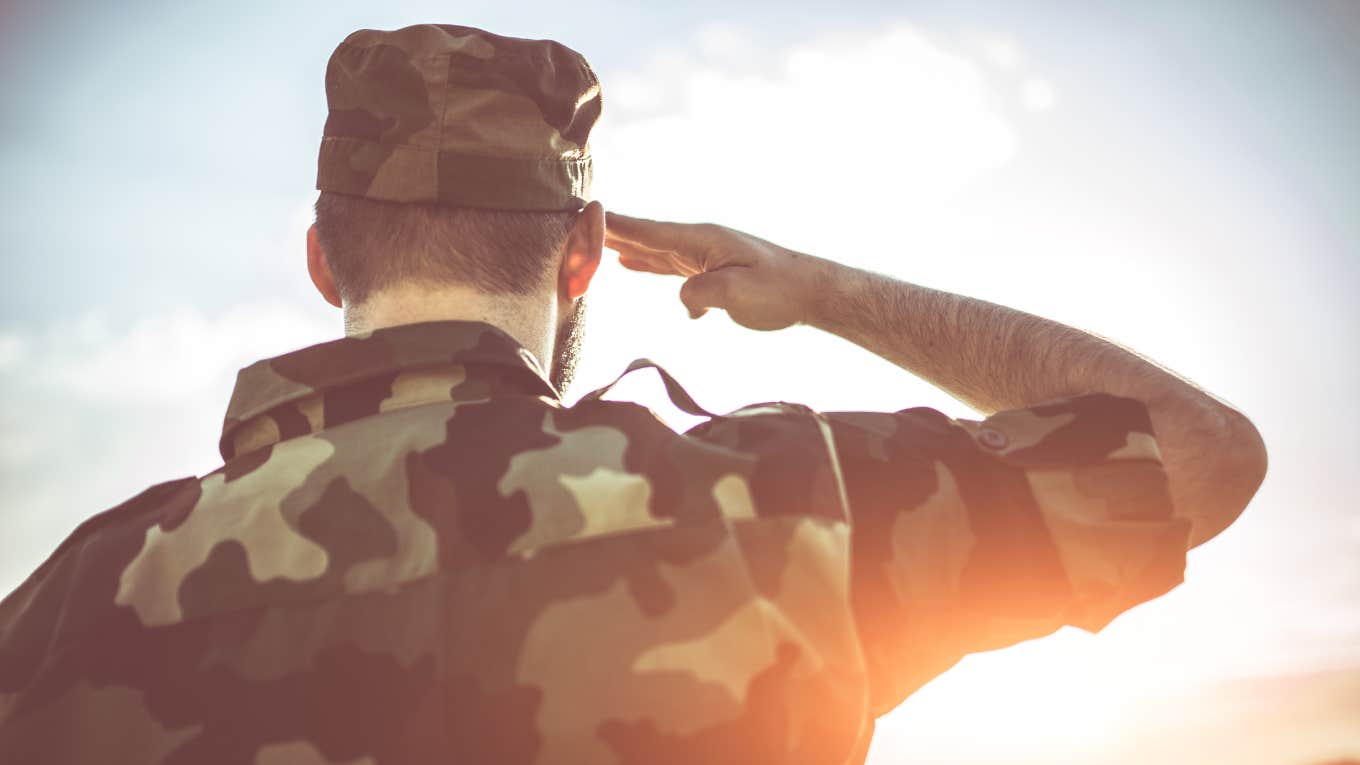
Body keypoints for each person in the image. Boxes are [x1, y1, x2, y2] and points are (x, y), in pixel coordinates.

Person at [0, 22, 1266, 765]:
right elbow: (1199, 454)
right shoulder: (777, 513)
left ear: (324, 256)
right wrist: (824, 289)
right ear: (583, 255)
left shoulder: (62, 610)